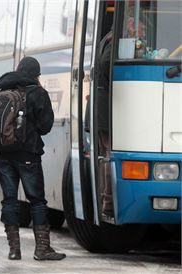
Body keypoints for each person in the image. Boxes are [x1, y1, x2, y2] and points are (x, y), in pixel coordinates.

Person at [0, 56, 66, 261]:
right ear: (37, 74)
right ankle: (42, 249)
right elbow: (45, 126)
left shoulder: (3, 91)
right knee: (37, 201)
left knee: (9, 200)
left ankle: (14, 250)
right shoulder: (37, 93)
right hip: (28, 155)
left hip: (3, 155)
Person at [96, 31, 113, 217]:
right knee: (108, 155)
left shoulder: (106, 38)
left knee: (104, 156)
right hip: (105, 107)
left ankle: (104, 199)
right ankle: (108, 203)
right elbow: (107, 63)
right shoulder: (115, 37)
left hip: (101, 108)